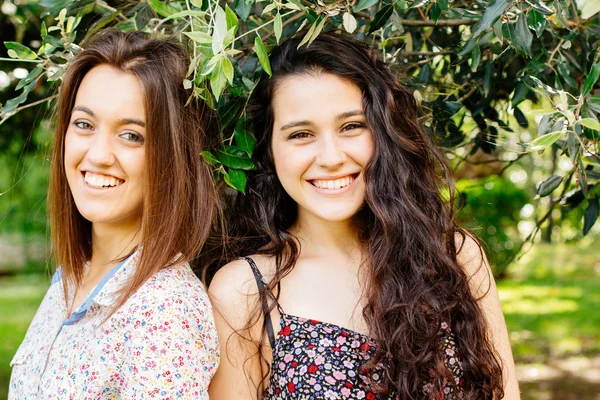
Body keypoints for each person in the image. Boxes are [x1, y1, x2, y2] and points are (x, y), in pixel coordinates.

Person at [206, 32, 519, 399]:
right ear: (269, 151)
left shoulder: (454, 256)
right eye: (301, 134)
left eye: (352, 126)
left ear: (384, 132)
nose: (331, 157)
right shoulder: (244, 291)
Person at [9, 29, 219, 399]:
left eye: (131, 135)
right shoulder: (72, 279)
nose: (99, 154)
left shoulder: (164, 313)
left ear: (173, 155)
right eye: (85, 125)